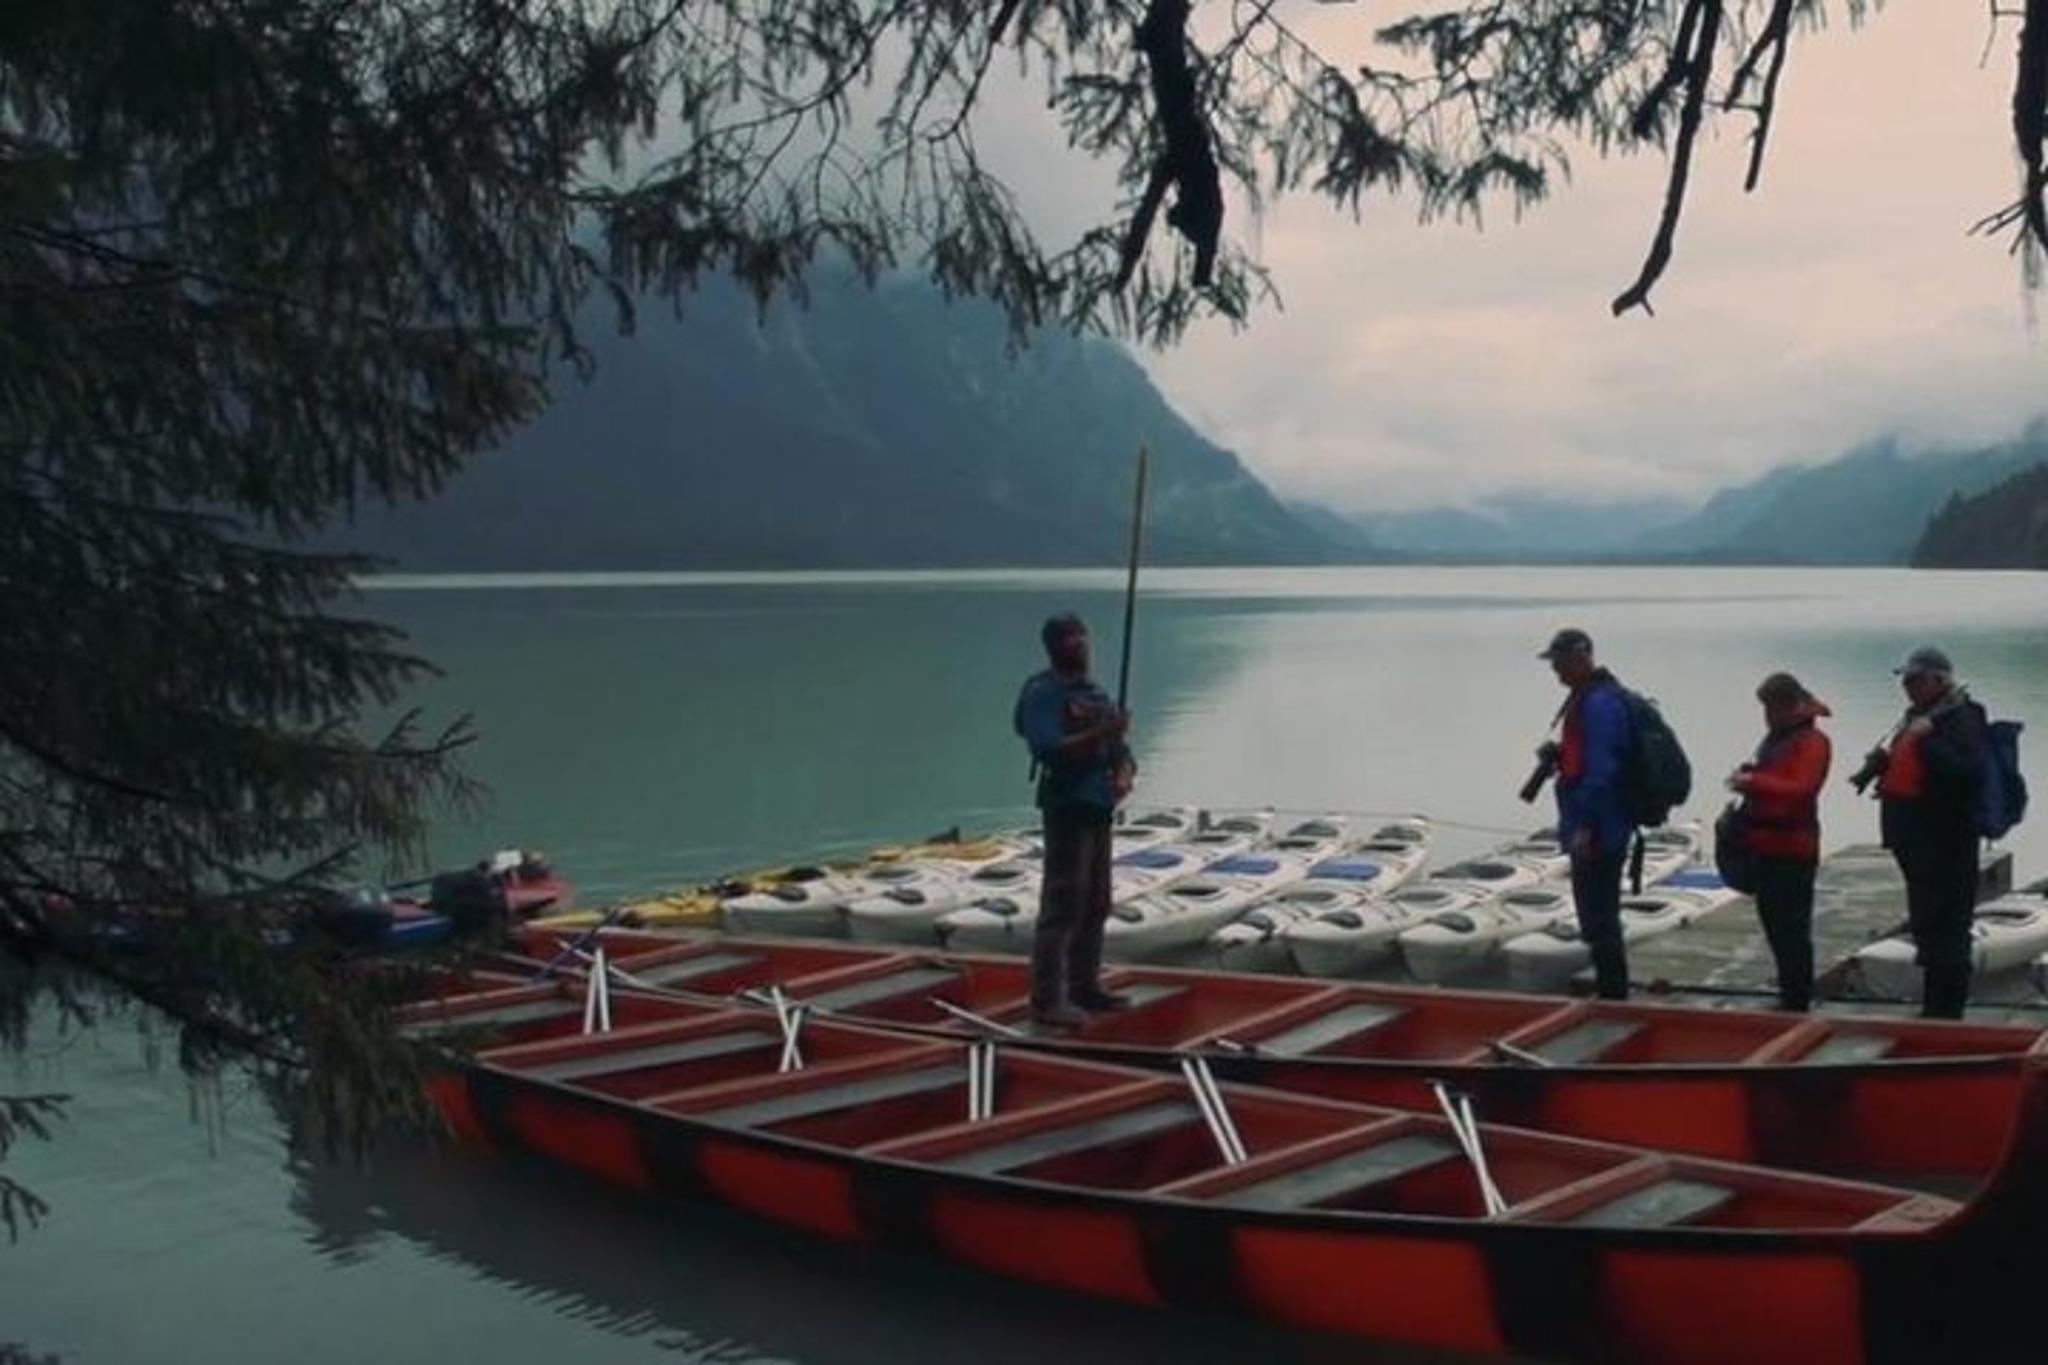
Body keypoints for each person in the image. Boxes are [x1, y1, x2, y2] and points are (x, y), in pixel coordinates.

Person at [1013, 613, 1134, 1028]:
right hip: (1067, 804)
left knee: (1097, 902)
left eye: (1082, 637)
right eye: (1069, 639)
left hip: (1099, 805)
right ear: (1053, 647)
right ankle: (1047, 1000)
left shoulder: (1095, 692)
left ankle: (1085, 987)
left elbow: (1120, 750)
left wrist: (1124, 773)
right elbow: (1048, 748)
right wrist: (1103, 732)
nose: (1080, 645)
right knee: (1063, 903)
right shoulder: (1042, 693)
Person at [1857, 646, 1987, 1019]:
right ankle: (1934, 1008)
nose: (1908, 687)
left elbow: (1968, 772)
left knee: (1949, 927)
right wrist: (1878, 768)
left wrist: (1928, 740)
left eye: (1916, 680)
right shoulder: (1918, 717)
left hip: (1947, 841)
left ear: (1940, 680)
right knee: (1927, 925)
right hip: (1915, 842)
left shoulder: (1963, 717)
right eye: (1906, 680)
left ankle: (1947, 1012)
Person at [1537, 628, 1633, 1000]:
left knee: (1600, 916)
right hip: (1593, 825)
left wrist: (1587, 826)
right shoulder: (1587, 699)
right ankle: (1611, 993)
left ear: (1581, 658)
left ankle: (1614, 997)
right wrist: (1559, 758)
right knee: (1594, 916)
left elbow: (1602, 772)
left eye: (1560, 662)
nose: (1556, 671)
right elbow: (1586, 761)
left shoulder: (1599, 704)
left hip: (1600, 829)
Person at [1727, 673, 1832, 1011]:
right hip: (1766, 847)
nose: (1767, 716)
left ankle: (1797, 1000)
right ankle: (1790, 994)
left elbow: (1803, 788)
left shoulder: (1813, 741)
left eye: (1771, 708)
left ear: (1790, 706)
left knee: (1792, 931)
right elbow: (1780, 777)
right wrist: (1752, 774)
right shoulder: (1781, 738)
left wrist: (1754, 781)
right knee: (1775, 927)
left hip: (1793, 849)